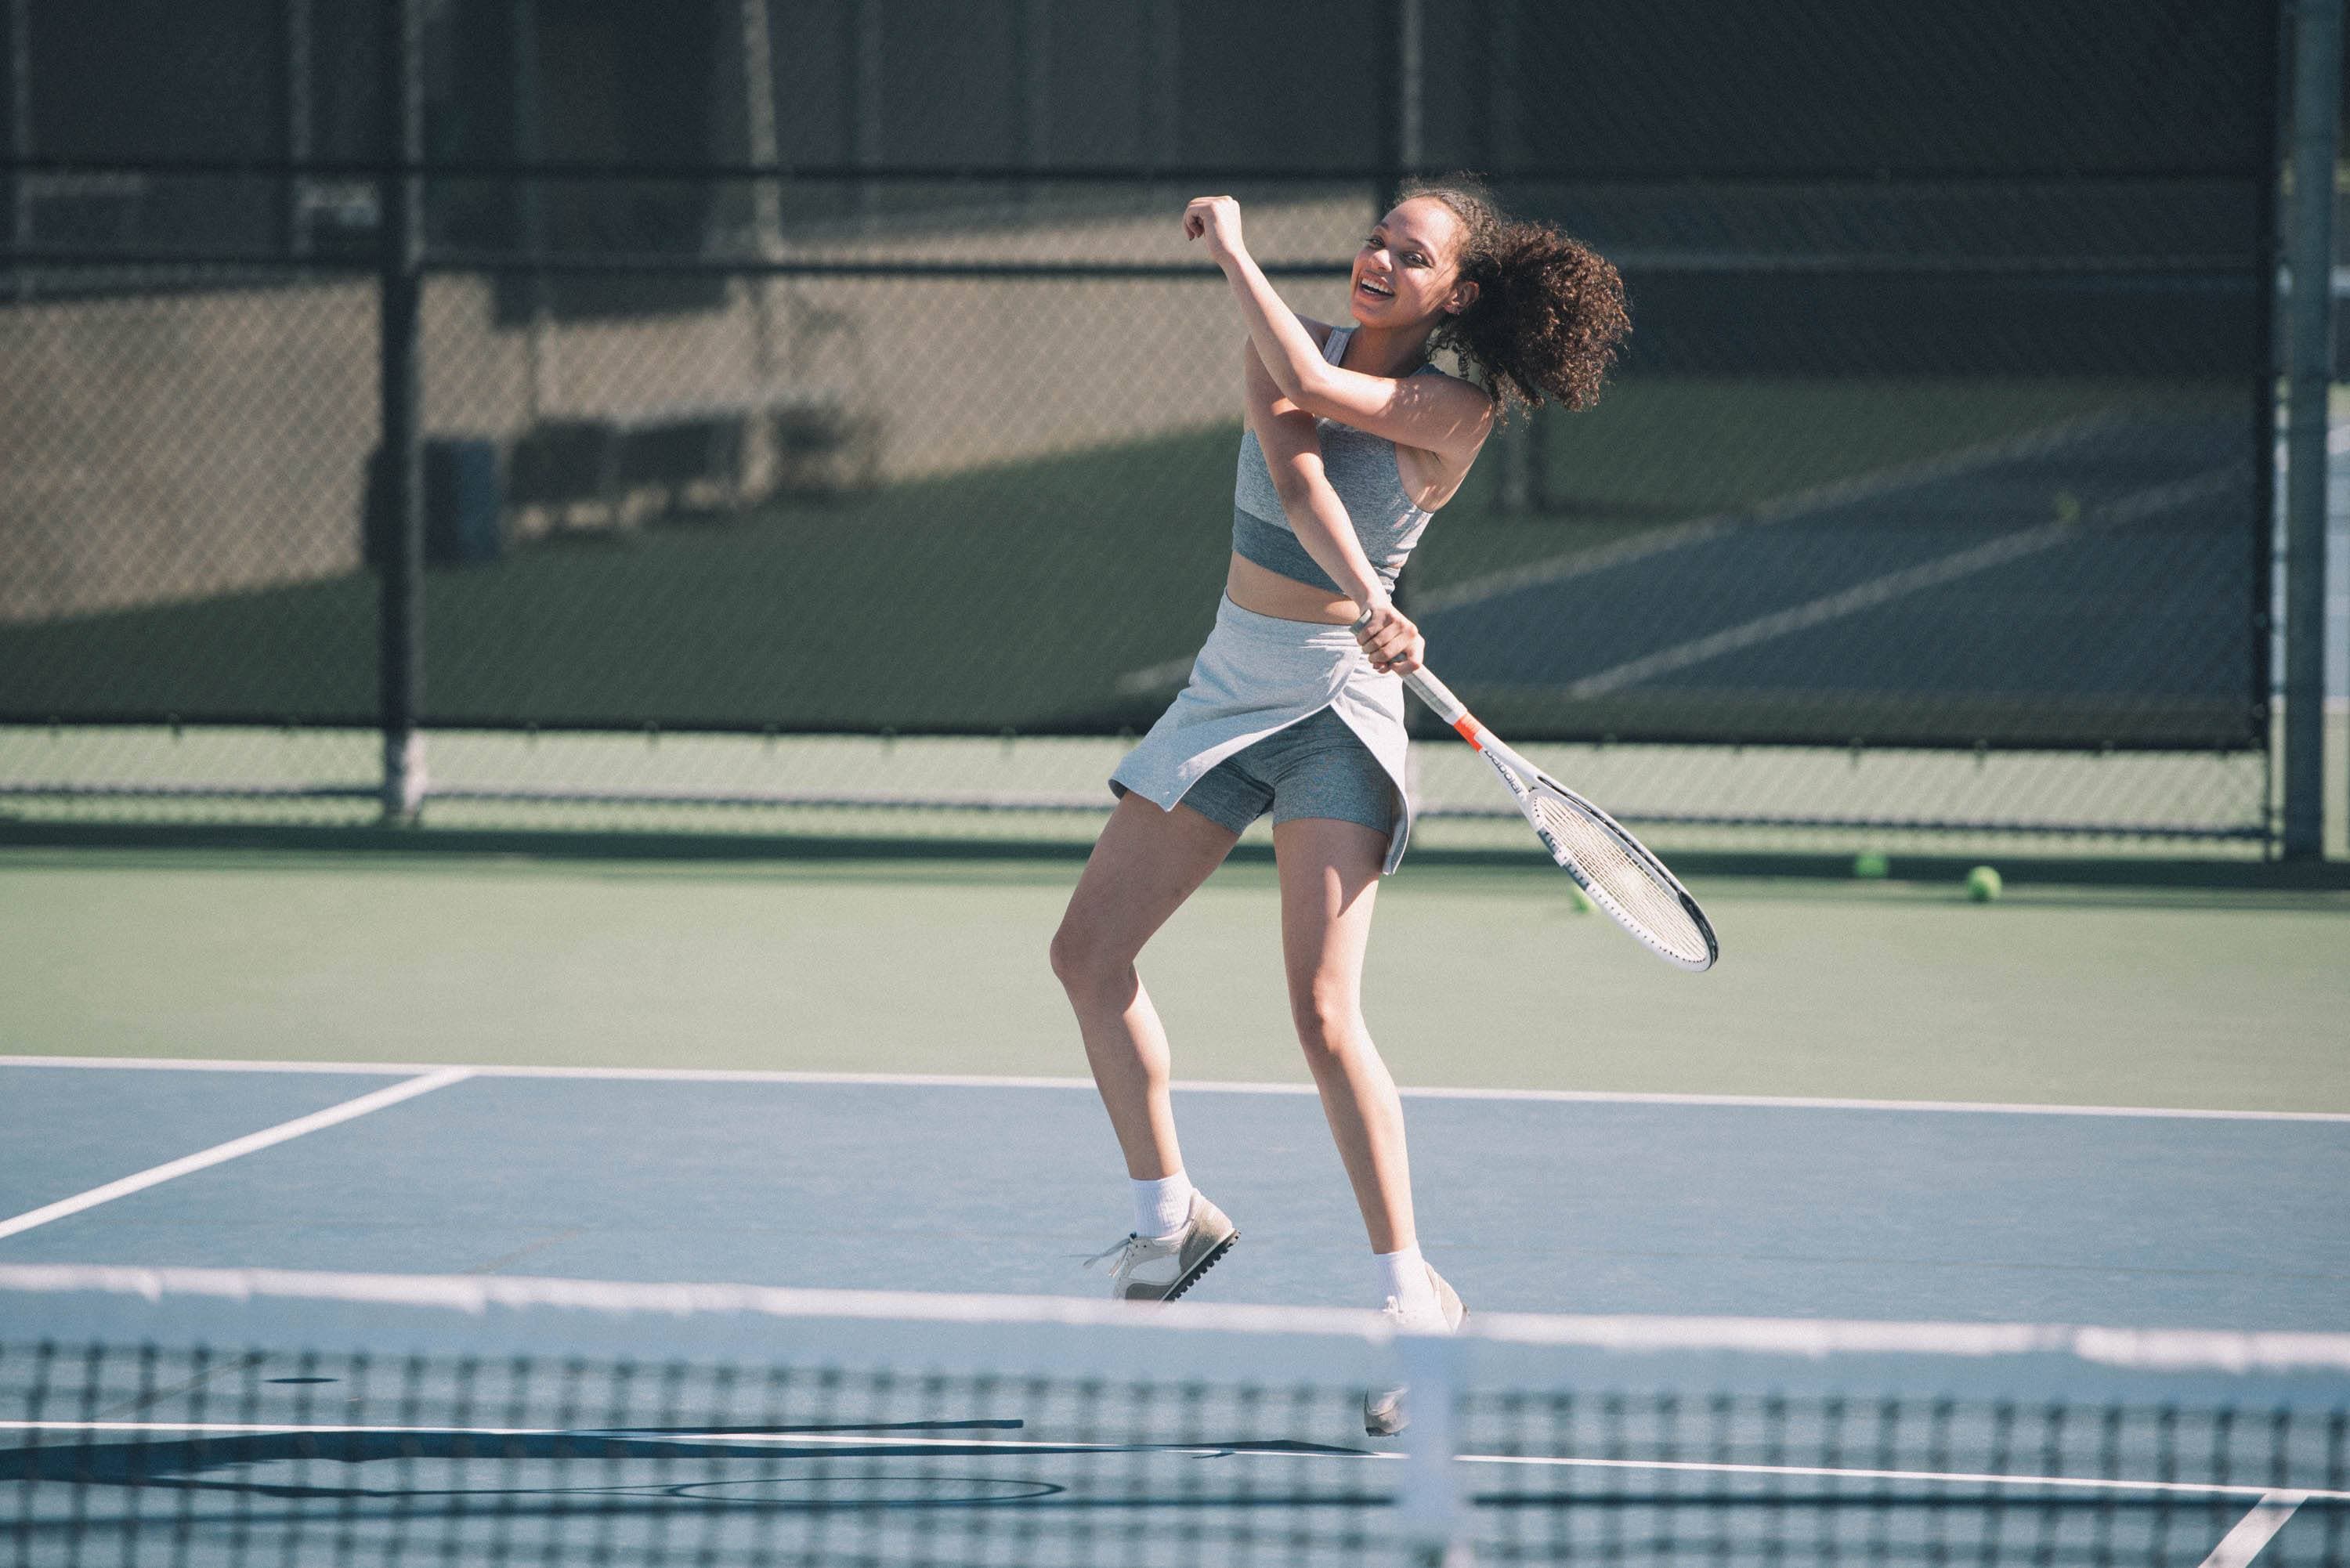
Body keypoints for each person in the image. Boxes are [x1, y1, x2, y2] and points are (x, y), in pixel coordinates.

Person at [1050, 178, 1629, 1427]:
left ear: (1457, 294)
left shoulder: (1457, 408)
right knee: (1088, 956)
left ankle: (1413, 1297)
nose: (1378, 259)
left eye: (1409, 254)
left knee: (1321, 1009)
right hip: (1228, 688)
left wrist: (1235, 252)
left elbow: (1345, 416)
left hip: (1336, 714)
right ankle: (1169, 1224)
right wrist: (1377, 593)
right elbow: (1302, 457)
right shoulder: (1289, 345)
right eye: (1376, 239)